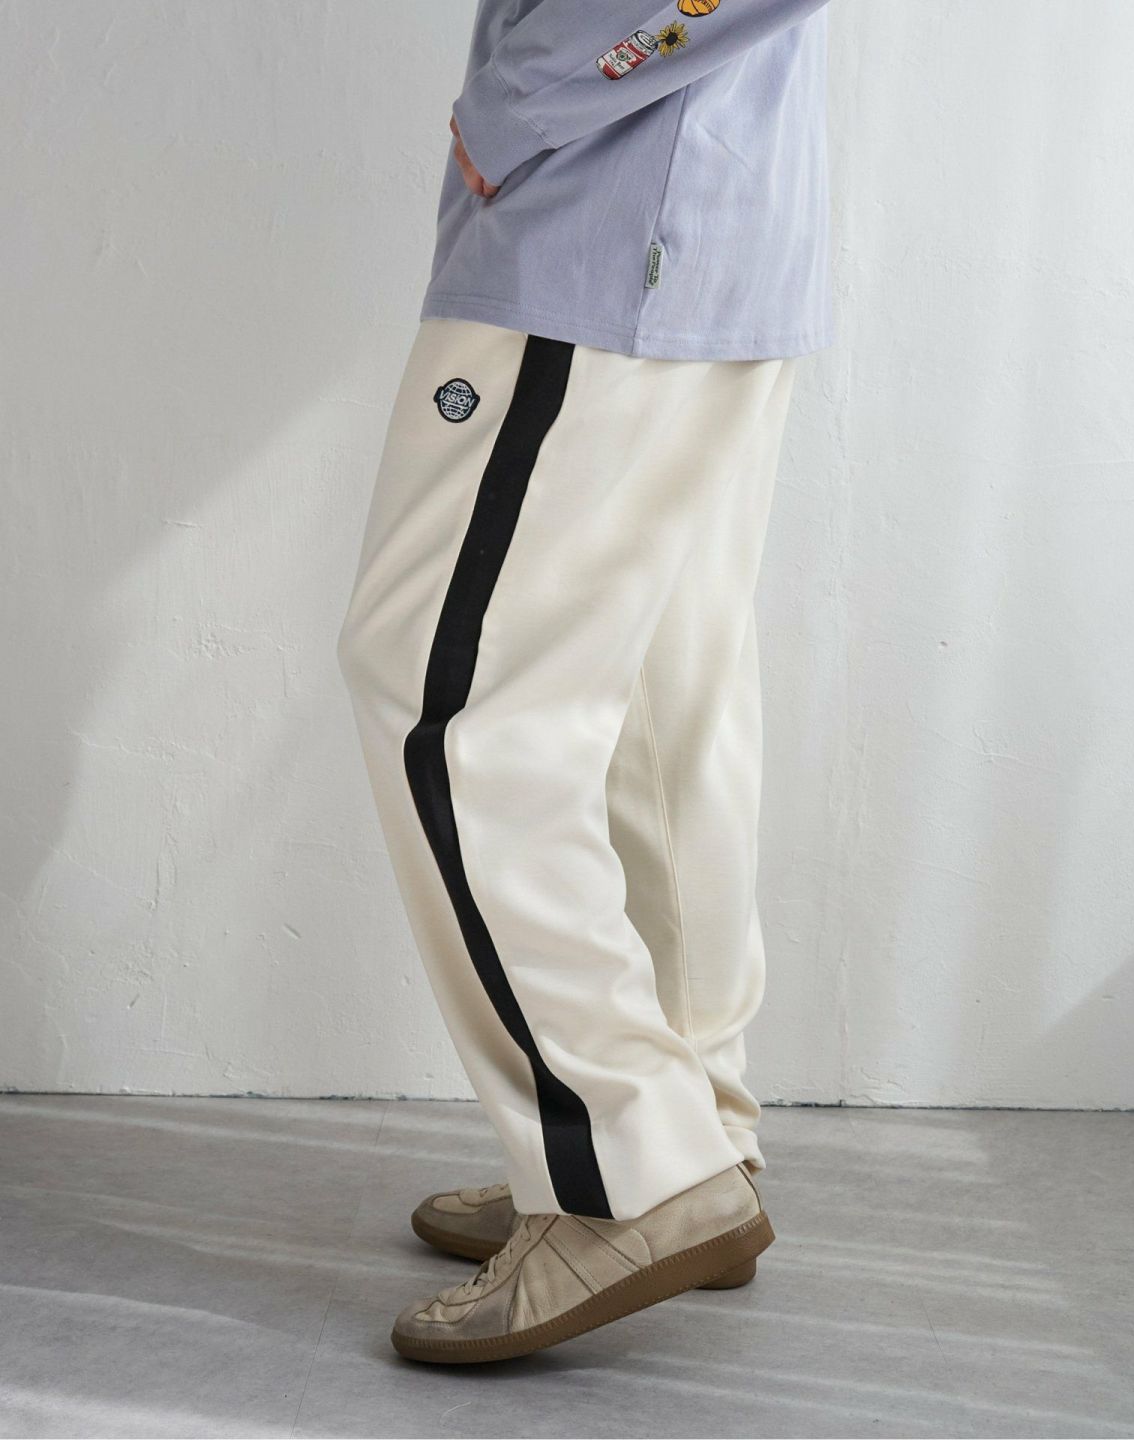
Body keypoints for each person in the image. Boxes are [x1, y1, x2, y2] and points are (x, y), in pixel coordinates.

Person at [338, 0, 833, 1365]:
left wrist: (531, 99)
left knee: (446, 703)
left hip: (608, 221)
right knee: (660, 714)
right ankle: (687, 1135)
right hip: (703, 227)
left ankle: (630, 1168)